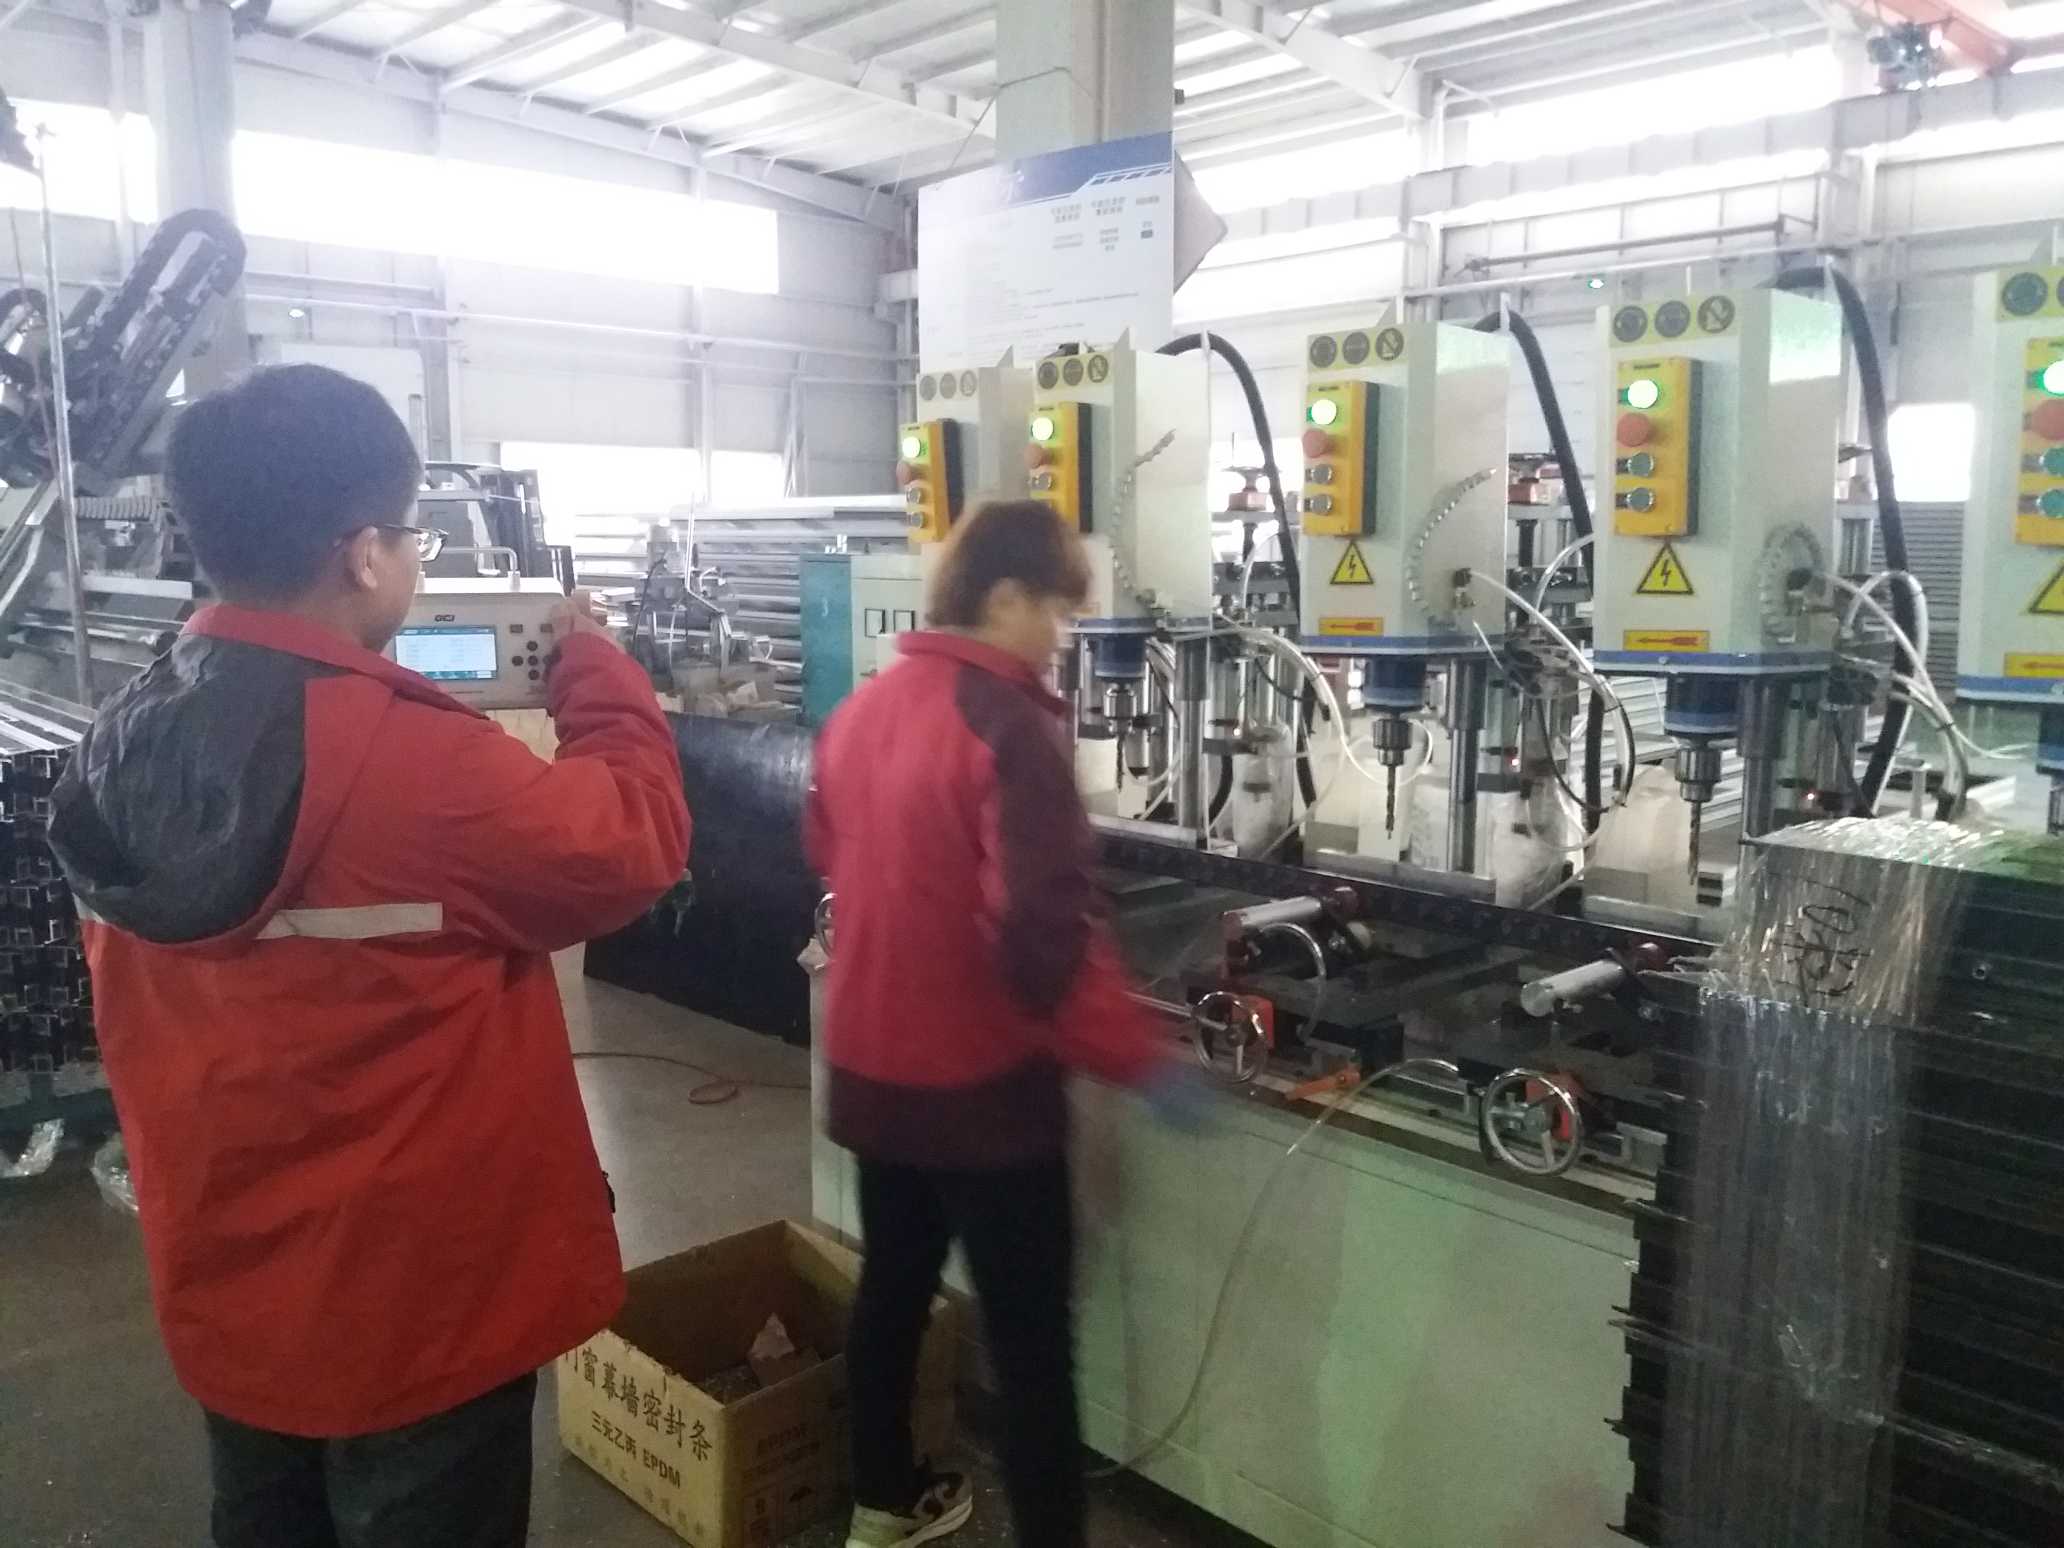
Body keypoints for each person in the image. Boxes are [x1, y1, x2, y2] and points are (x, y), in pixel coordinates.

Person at [47, 364, 691, 1548]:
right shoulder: (416, 766)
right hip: (419, 1311)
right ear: (361, 556)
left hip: (231, 1281)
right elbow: (631, 840)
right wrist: (597, 669)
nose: (414, 562)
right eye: (411, 539)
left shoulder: (120, 745)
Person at [806, 499, 1197, 1548]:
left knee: (893, 1292)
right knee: (1030, 1352)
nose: (1061, 638)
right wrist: (1139, 1058)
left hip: (873, 1076)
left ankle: (882, 1506)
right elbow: (1040, 939)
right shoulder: (1009, 726)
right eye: (1057, 613)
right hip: (983, 1098)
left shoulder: (861, 712)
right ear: (1007, 595)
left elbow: (828, 850)